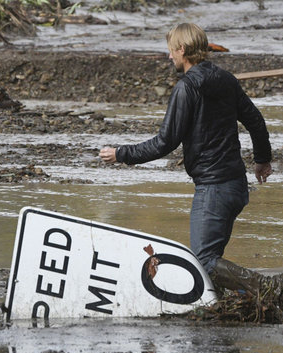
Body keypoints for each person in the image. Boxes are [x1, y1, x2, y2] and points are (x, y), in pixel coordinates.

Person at [99, 22, 272, 278]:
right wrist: (262, 160)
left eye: (171, 50)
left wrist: (121, 154)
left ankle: (267, 288)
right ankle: (231, 304)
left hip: (213, 189)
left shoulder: (186, 88)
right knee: (211, 260)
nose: (169, 56)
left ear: (182, 49)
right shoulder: (226, 80)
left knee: (203, 261)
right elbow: (256, 121)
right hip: (236, 185)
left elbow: (165, 142)